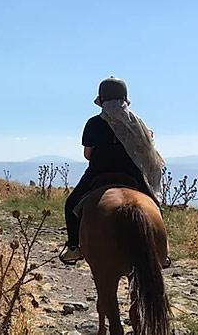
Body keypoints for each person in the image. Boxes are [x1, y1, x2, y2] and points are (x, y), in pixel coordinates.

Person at [59, 77, 165, 264]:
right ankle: (162, 252)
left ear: (101, 100)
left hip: (98, 174)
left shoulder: (93, 123)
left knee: (71, 204)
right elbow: (145, 152)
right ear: (125, 98)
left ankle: (74, 247)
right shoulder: (138, 124)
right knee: (156, 207)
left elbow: (88, 154)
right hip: (132, 175)